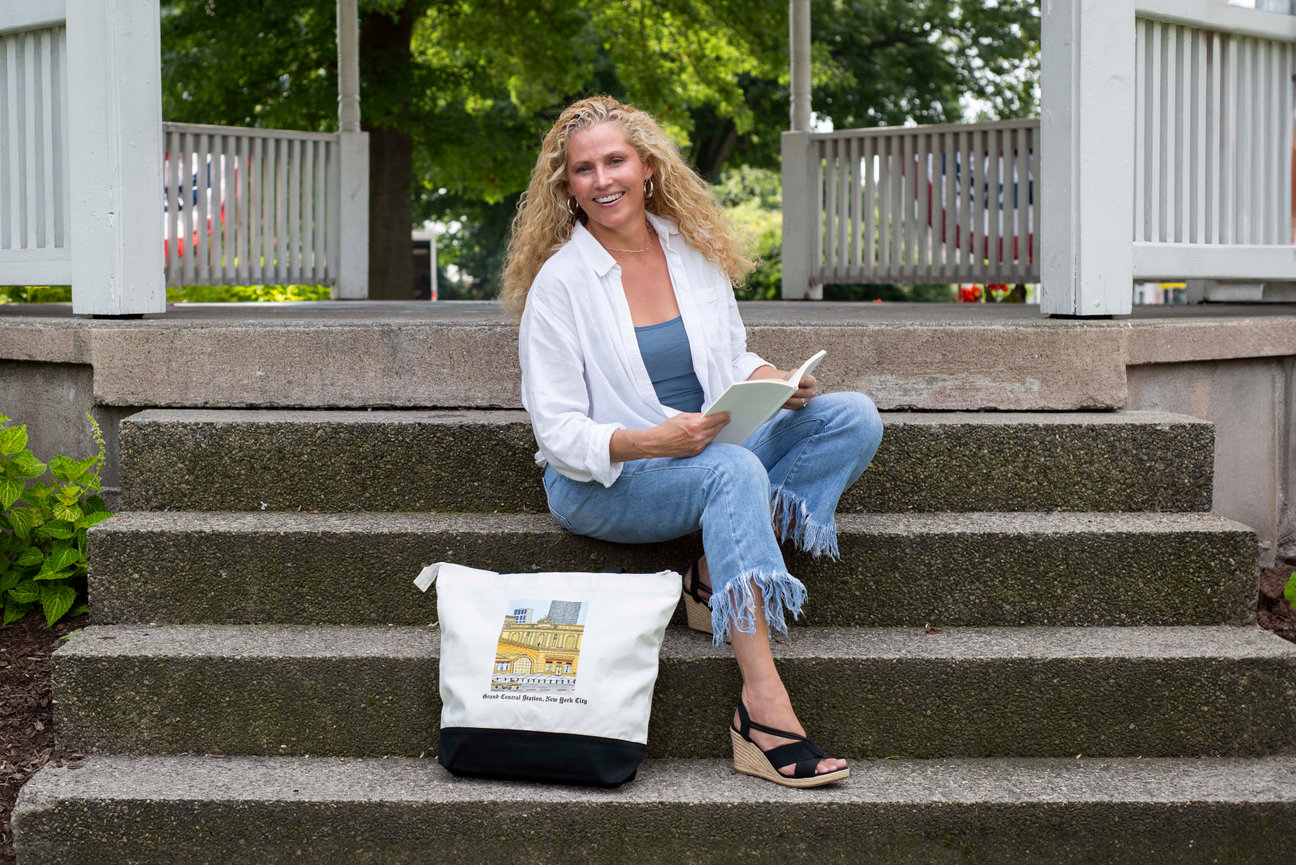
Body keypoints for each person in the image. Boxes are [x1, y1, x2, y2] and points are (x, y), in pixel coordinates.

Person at [500, 95, 883, 788]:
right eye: (583, 170)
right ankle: (763, 709)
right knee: (732, 471)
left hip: (706, 447)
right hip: (606, 481)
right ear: (567, 188)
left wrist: (771, 377)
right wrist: (654, 442)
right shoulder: (561, 285)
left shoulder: (690, 250)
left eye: (615, 160)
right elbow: (557, 434)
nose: (602, 179)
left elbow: (727, 359)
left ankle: (711, 571)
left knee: (853, 416)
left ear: (647, 167)